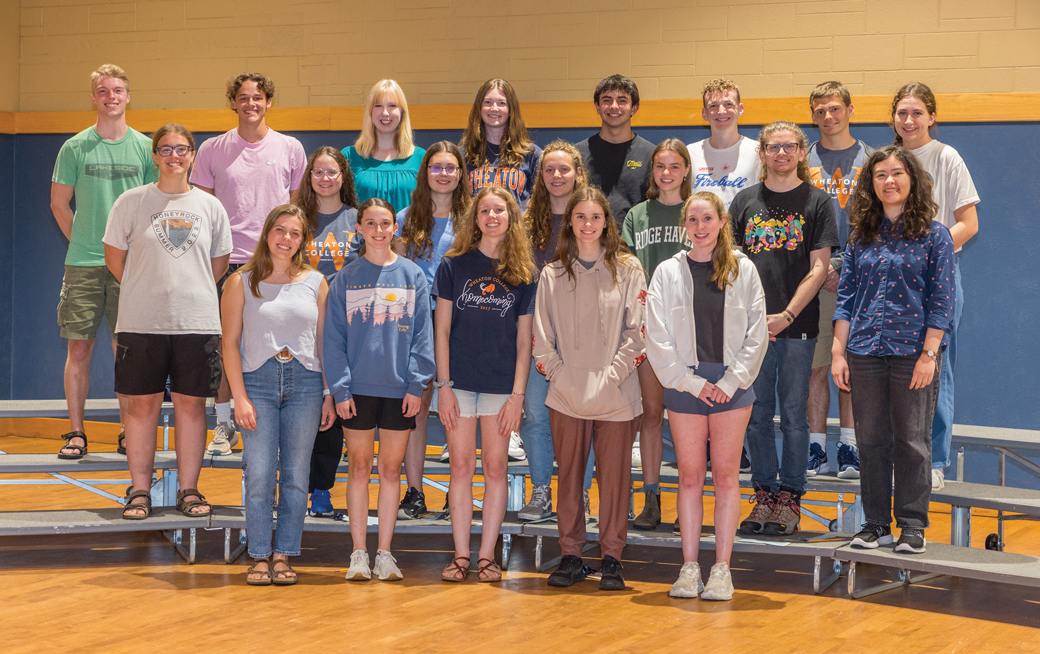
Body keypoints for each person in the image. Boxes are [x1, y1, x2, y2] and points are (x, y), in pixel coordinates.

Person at [101, 123, 232, 520]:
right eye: (165, 149)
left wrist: (186, 290)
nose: (174, 155)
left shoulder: (210, 206)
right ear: (155, 156)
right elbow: (114, 259)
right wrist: (148, 290)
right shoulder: (131, 201)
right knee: (142, 409)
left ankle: (189, 490)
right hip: (141, 323)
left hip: (196, 323)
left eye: (182, 148)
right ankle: (140, 491)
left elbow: (219, 263)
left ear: (192, 155)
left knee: (191, 409)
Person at [833, 145, 955, 554]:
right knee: (870, 440)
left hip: (912, 354)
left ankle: (912, 525)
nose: (889, 180)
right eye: (881, 174)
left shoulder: (934, 235)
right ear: (871, 183)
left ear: (912, 180)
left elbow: (942, 299)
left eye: (898, 173)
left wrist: (929, 354)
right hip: (864, 350)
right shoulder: (860, 236)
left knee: (912, 440)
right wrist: (838, 352)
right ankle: (875, 524)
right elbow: (846, 298)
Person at [647, 192, 767, 600]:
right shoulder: (666, 272)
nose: (700, 227)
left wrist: (730, 383)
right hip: (685, 386)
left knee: (727, 476)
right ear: (685, 225)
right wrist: (695, 383)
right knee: (691, 477)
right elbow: (657, 336)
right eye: (693, 220)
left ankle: (721, 570)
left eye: (707, 219)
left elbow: (756, 333)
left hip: (733, 386)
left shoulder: (744, 269)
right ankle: (689, 567)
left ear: (721, 222)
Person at [729, 121, 838, 536]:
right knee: (755, 415)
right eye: (773, 147)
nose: (781, 153)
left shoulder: (817, 202)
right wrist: (755, 319)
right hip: (751, 331)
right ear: (761, 154)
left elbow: (819, 269)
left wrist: (787, 315)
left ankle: (790, 496)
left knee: (793, 414)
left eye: (789, 146)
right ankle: (764, 497)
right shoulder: (743, 202)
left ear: (800, 152)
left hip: (798, 327)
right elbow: (733, 267)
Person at [534, 187, 645, 591]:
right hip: (566, 394)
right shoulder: (553, 272)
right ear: (570, 222)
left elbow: (639, 331)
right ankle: (571, 554)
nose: (586, 224)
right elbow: (541, 338)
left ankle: (612, 557)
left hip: (616, 394)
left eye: (594, 217)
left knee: (613, 480)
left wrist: (612, 374)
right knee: (570, 479)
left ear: (606, 222)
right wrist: (562, 376)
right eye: (579, 216)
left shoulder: (629, 269)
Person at [191, 72, 307, 457]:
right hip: (230, 262)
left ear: (268, 101)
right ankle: (223, 423)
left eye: (258, 97)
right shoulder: (211, 150)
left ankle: (282, 420)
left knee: (277, 344)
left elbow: (296, 211)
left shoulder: (290, 148)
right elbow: (201, 211)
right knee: (230, 344)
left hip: (277, 264)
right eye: (243, 97)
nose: (251, 104)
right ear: (233, 102)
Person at [221, 205, 335, 585]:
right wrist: (239, 396)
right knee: (258, 474)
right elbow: (229, 344)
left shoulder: (316, 282)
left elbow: (324, 343)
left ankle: (284, 553)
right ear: (268, 232)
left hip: (306, 384)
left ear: (303, 240)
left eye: (295, 233)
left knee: (296, 476)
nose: (286, 239)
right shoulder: (242, 281)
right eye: (280, 230)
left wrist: (329, 394)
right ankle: (258, 555)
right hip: (257, 383)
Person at [324, 198, 435, 581]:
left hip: (400, 390)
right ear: (359, 228)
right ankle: (358, 552)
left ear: (394, 228)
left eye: (384, 223)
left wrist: (417, 384)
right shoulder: (346, 277)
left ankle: (385, 553)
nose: (377, 230)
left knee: (390, 471)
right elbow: (333, 340)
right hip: (356, 391)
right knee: (358, 469)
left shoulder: (412, 275)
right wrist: (339, 390)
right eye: (369, 223)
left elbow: (423, 335)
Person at [51, 64, 156, 460]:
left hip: (130, 268)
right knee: (78, 350)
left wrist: (125, 253)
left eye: (118, 90)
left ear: (128, 97)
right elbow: (59, 205)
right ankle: (76, 432)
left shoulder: (146, 149)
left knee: (124, 352)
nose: (111, 96)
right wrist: (85, 242)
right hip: (83, 264)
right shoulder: (75, 147)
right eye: (103, 90)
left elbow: (152, 209)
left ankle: (129, 432)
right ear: (94, 97)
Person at [434, 187, 537, 583]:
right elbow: (440, 331)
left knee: (495, 469)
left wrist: (517, 396)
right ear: (474, 218)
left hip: (500, 387)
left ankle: (487, 557)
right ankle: (461, 556)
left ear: (511, 217)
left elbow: (524, 341)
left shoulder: (524, 272)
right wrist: (442, 385)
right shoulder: (453, 265)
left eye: (500, 210)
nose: (492, 216)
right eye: (485, 210)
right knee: (460, 467)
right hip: (457, 384)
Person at [890, 82, 980, 491]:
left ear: (931, 117)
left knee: (936, 366)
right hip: (893, 281)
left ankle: (936, 458)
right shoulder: (888, 160)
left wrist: (931, 252)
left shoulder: (947, 157)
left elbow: (969, 223)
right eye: (901, 113)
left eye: (916, 113)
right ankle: (901, 452)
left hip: (937, 275)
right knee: (895, 368)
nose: (908, 120)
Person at [394, 142, 472, 520]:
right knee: (418, 410)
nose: (444, 174)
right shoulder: (406, 219)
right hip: (418, 326)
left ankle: (458, 492)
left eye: (451, 167)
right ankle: (414, 491)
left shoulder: (473, 219)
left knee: (462, 410)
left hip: (464, 323)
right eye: (436, 167)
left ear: (461, 174)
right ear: (425, 172)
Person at [519, 141, 595, 523]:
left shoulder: (589, 217)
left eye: (564, 169)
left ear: (578, 173)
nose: (557, 176)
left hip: (582, 337)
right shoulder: (527, 220)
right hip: (536, 334)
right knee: (535, 413)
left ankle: (577, 494)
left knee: (581, 415)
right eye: (549, 170)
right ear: (540, 176)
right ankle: (541, 491)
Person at [621, 138, 692, 531]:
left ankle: (689, 498)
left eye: (674, 166)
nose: (666, 173)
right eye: (660, 166)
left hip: (691, 332)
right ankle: (651, 498)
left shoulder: (696, 212)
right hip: (649, 327)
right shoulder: (637, 215)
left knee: (684, 419)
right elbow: (629, 270)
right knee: (651, 415)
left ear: (685, 170)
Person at [805, 81, 874, 479]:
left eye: (834, 109)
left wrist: (843, 263)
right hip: (814, 276)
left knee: (848, 366)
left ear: (850, 110)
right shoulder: (803, 160)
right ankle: (816, 450)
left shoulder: (870, 158)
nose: (827, 117)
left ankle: (850, 448)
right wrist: (821, 266)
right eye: (819, 111)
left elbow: (878, 221)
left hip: (859, 277)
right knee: (816, 367)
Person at [291, 146, 361, 517]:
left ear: (343, 177)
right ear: (309, 177)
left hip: (344, 330)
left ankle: (321, 490)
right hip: (300, 326)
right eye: (318, 172)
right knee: (303, 409)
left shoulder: (357, 219)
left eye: (332, 172)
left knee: (332, 409)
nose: (325, 179)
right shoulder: (298, 219)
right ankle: (291, 488)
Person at [575, 75, 655, 225]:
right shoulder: (577, 154)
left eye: (622, 101)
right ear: (597, 107)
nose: (614, 106)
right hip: (588, 241)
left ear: (634, 108)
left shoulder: (652, 155)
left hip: (634, 243)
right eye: (606, 100)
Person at [342, 79, 426, 213]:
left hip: (407, 234)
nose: (385, 113)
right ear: (370, 112)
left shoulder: (421, 158)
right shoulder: (348, 156)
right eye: (378, 106)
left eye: (392, 105)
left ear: (402, 112)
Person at [460, 79, 542, 211]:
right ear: (479, 108)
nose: (494, 108)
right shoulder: (463, 155)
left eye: (501, 103)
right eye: (487, 102)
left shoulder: (532, 154)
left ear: (510, 109)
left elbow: (541, 203)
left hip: (518, 230)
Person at [686, 78, 761, 208]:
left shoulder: (758, 152)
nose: (721, 111)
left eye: (728, 104)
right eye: (713, 105)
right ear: (704, 113)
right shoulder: (690, 153)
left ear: (740, 109)